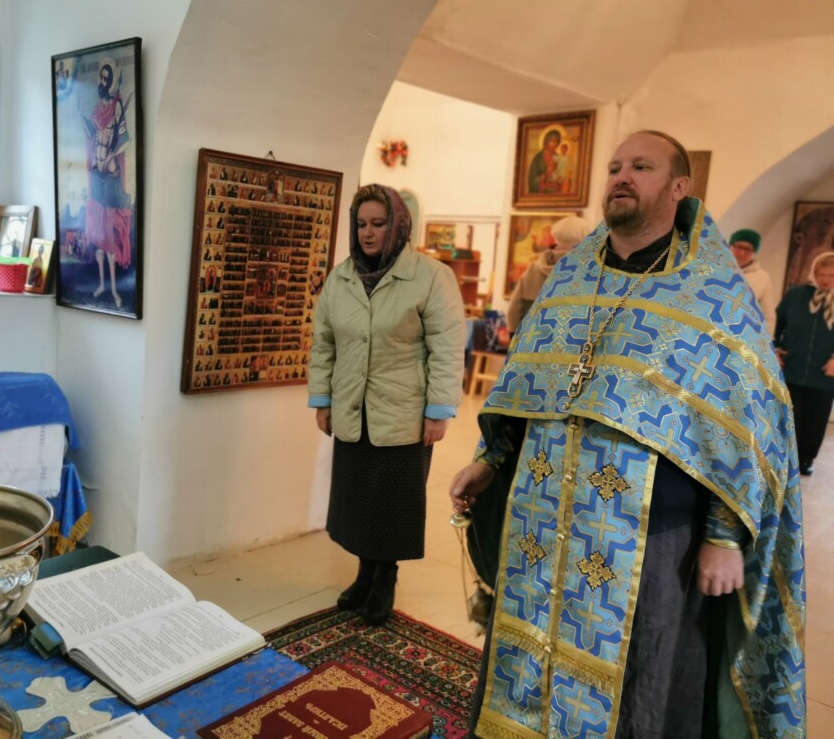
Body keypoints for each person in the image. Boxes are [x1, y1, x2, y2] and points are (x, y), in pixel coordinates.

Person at [450, 131, 804, 738]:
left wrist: (723, 536)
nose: (621, 176)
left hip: (648, 532)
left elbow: (743, 423)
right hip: (541, 517)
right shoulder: (569, 279)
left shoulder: (714, 294)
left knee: (642, 678)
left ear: (679, 186)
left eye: (641, 166)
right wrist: (491, 456)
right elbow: (525, 383)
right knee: (528, 652)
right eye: (615, 166)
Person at [308, 184, 465, 626]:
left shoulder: (431, 277)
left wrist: (438, 410)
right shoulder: (341, 278)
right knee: (358, 501)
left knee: (391, 504)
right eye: (361, 224)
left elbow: (446, 348)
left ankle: (384, 579)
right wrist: (323, 400)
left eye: (378, 223)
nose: (368, 233)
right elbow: (324, 343)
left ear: (398, 225)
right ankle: (364, 574)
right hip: (352, 409)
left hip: (404, 413)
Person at [775, 250, 834, 476]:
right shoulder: (797, 295)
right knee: (791, 417)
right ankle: (786, 459)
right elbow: (779, 323)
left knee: (815, 421)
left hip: (825, 374)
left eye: (832, 275)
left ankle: (806, 459)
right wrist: (775, 349)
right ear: (814, 273)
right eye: (821, 274)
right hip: (793, 367)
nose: (825, 280)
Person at [82, 57, 133, 310]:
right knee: (99, 241)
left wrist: (112, 156)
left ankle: (114, 289)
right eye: (101, 77)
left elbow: (126, 139)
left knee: (111, 239)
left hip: (110, 173)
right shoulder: (97, 109)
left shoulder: (116, 107)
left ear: (111, 80)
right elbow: (92, 136)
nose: (102, 81)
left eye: (106, 77)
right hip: (97, 173)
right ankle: (102, 285)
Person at [505, 215, 593, 335]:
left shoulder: (534, 269)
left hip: (531, 339)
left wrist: (514, 337)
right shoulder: (589, 271)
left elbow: (513, 311)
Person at [729, 228, 777, 334]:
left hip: (742, 335)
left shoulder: (762, 278)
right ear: (730, 246)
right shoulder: (715, 269)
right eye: (738, 247)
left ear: (754, 252)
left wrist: (765, 341)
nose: (741, 253)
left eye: (747, 249)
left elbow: (768, 317)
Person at [528, 129, 563, 194]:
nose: (555, 144)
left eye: (557, 141)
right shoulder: (538, 158)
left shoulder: (559, 158)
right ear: (546, 141)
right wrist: (546, 174)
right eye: (552, 141)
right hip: (539, 193)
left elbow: (561, 174)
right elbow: (532, 181)